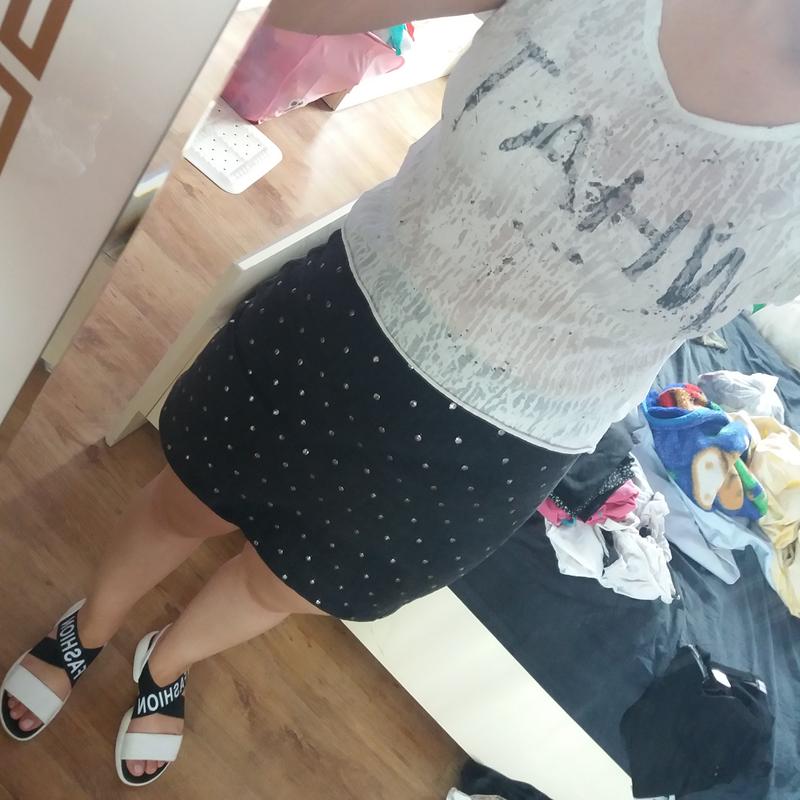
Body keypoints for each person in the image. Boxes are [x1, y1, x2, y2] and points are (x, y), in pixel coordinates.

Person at [4, 0, 800, 786]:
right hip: (345, 327)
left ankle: (167, 661)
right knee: (186, 504)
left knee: (286, 585)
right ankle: (91, 624)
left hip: (496, 456)